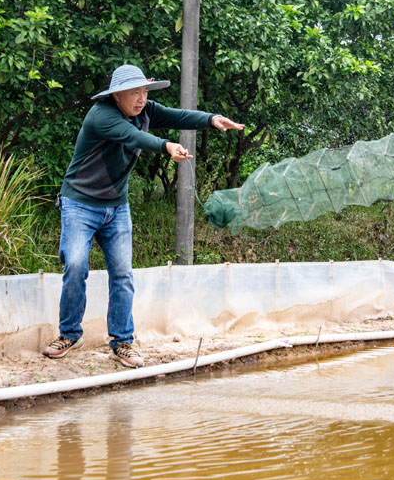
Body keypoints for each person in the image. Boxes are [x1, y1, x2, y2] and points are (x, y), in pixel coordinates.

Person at [42, 64, 244, 368]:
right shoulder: (101, 115)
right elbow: (133, 137)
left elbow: (178, 116)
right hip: (80, 204)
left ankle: (122, 342)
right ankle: (69, 334)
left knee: (122, 274)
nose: (141, 97)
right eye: (134, 92)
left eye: (144, 91)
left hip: (116, 208)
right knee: (75, 265)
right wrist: (165, 146)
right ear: (117, 95)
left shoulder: (145, 109)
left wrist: (211, 119)